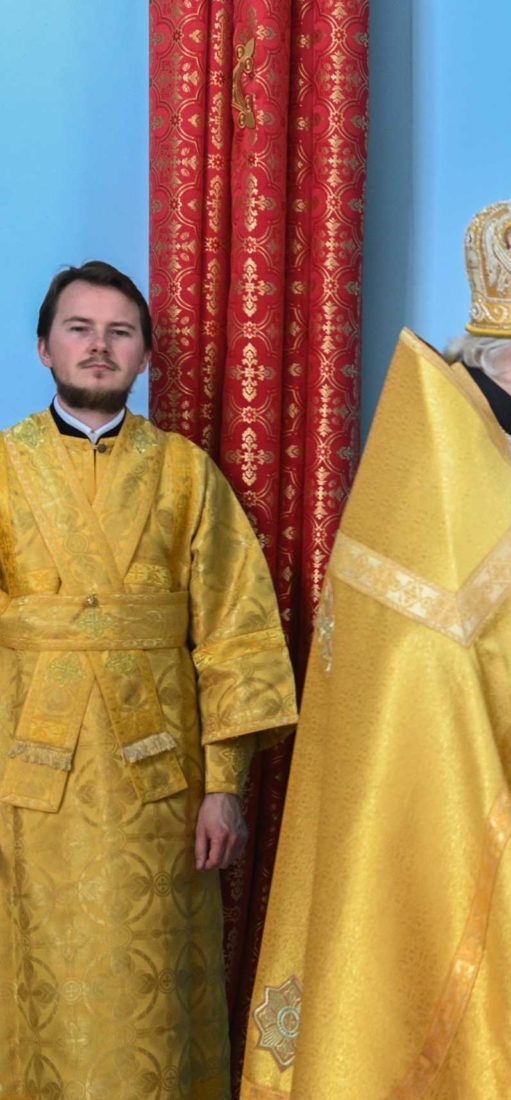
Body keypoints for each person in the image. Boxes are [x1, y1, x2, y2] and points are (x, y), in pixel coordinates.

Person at [242, 198, 511, 1099]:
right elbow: (466, 666)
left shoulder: (463, 439)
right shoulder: (453, 457)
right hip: (438, 803)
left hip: (458, 789)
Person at [0, 261, 297, 1098]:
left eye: (119, 333)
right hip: (23, 788)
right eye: (81, 329)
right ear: (44, 348)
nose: (99, 347)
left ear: (145, 358)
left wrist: (225, 786)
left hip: (160, 793)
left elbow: (236, 634)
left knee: (153, 1004)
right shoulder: (4, 469)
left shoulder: (185, 475)